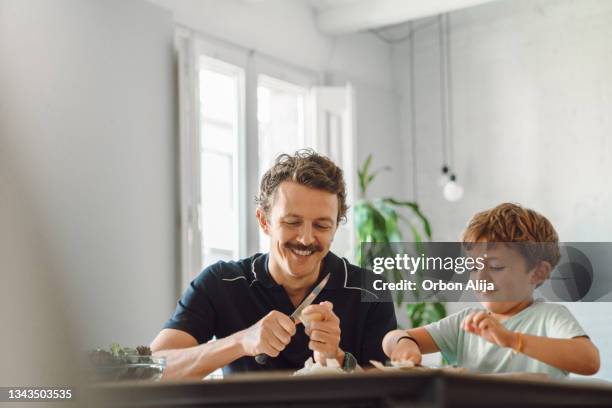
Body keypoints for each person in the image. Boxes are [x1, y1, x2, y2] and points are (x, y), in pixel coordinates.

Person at [151, 149, 397, 379]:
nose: (306, 239)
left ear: (334, 228)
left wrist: (339, 359)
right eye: (292, 222)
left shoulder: (370, 289)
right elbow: (152, 371)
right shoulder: (221, 283)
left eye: (321, 225)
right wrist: (241, 342)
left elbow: (389, 396)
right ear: (264, 221)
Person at [382, 203, 600, 379]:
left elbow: (589, 360)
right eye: (473, 267)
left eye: (495, 267)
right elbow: (391, 338)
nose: (481, 277)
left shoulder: (549, 317)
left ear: (538, 273)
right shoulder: (466, 323)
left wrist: (513, 340)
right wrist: (404, 343)